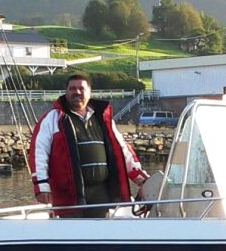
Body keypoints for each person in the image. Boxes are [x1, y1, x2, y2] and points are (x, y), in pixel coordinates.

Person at [28, 73, 148, 218]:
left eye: (81, 88)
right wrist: (41, 185)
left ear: (90, 92)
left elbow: (122, 150)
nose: (77, 92)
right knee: (72, 230)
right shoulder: (52, 119)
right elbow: (39, 153)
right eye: (72, 89)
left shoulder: (103, 119)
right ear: (66, 92)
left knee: (99, 229)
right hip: (69, 194)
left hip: (101, 192)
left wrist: (140, 177)